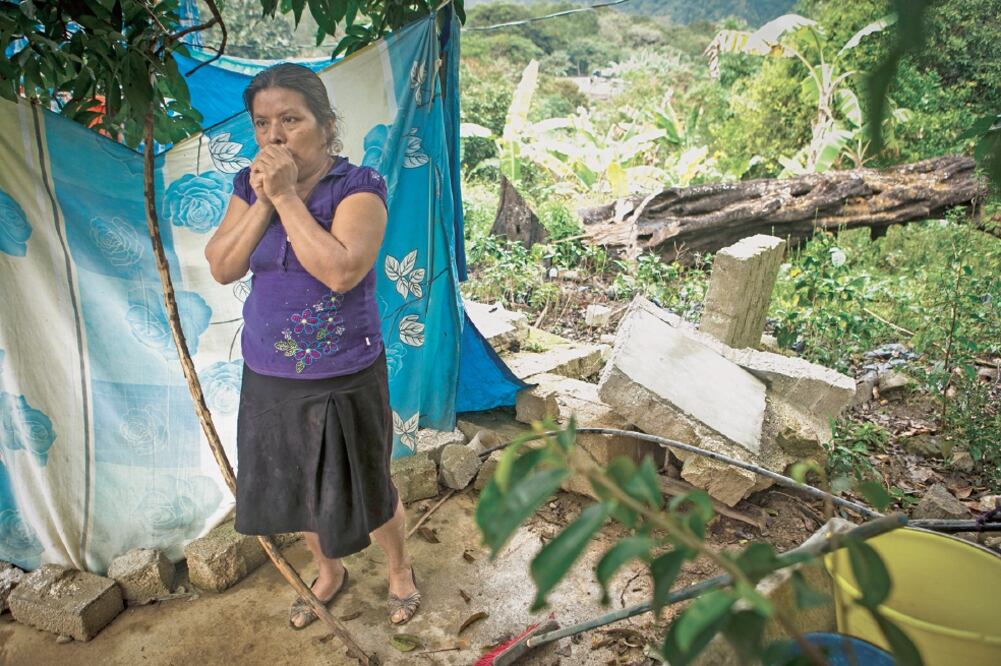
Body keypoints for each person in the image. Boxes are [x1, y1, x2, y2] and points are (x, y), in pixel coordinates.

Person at [204, 63, 420, 629]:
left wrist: (285, 197)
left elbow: (342, 272)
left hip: (345, 371)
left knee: (370, 483)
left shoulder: (359, 187)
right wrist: (265, 201)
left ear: (325, 125)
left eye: (291, 120)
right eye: (262, 124)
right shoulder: (247, 188)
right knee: (296, 487)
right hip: (270, 372)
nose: (274, 136)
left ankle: (399, 570)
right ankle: (329, 572)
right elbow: (223, 266)